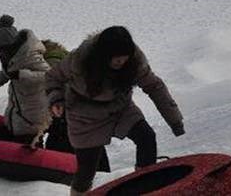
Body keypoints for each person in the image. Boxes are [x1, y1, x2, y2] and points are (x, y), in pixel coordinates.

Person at [46, 26, 184, 195]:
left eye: (124, 59)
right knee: (86, 171)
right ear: (103, 55)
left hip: (120, 108)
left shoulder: (135, 60)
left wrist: (175, 121)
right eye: (116, 59)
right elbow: (53, 77)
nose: (121, 62)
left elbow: (154, 86)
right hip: (84, 115)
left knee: (146, 137)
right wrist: (56, 99)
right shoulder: (80, 59)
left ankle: (146, 189)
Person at [0, 15, 50, 143]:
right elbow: (11, 71)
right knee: (17, 135)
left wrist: (22, 75)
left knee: (30, 141)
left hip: (34, 107)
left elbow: (49, 76)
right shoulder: (9, 54)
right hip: (19, 104)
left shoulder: (30, 55)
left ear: (7, 44)